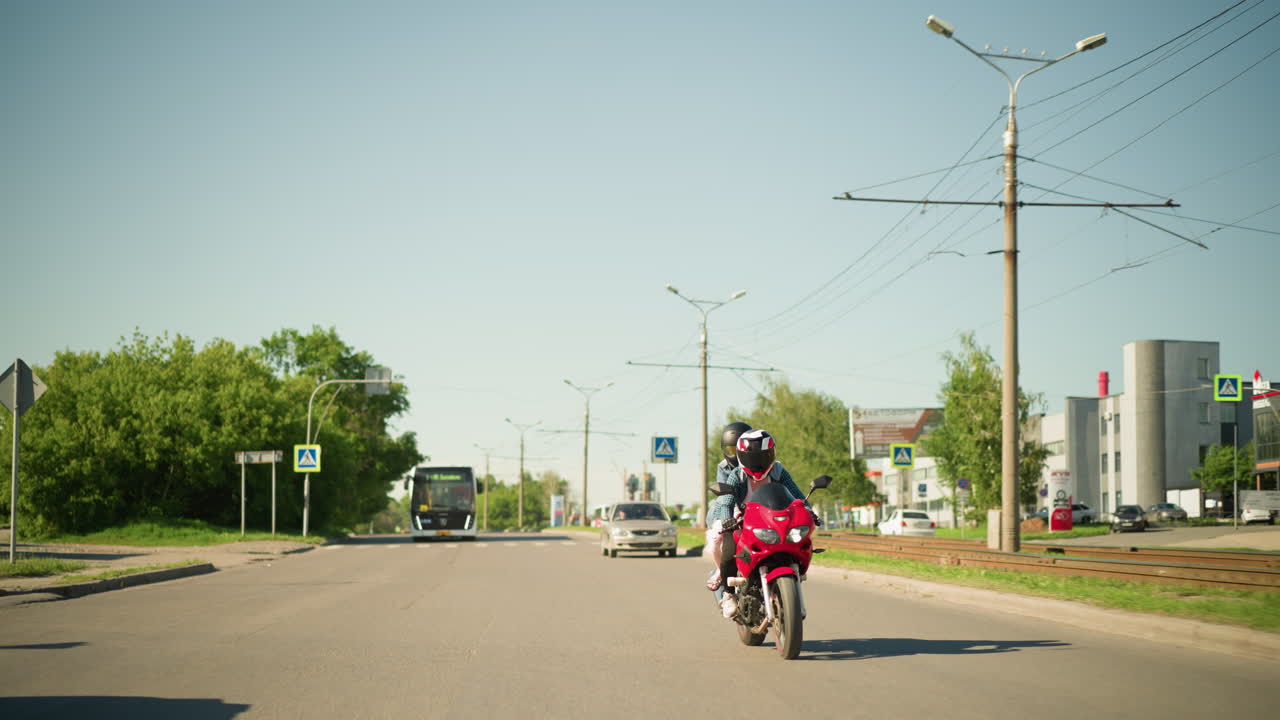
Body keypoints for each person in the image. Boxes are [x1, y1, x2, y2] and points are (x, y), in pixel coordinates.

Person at [705, 429, 817, 618]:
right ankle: (728, 594)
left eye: (763, 457)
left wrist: (810, 512)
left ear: (771, 454)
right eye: (752, 458)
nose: (758, 463)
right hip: (742, 518)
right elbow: (725, 500)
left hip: (771, 516)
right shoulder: (736, 475)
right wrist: (726, 522)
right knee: (729, 547)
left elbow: (796, 494)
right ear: (742, 458)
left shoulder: (779, 471)